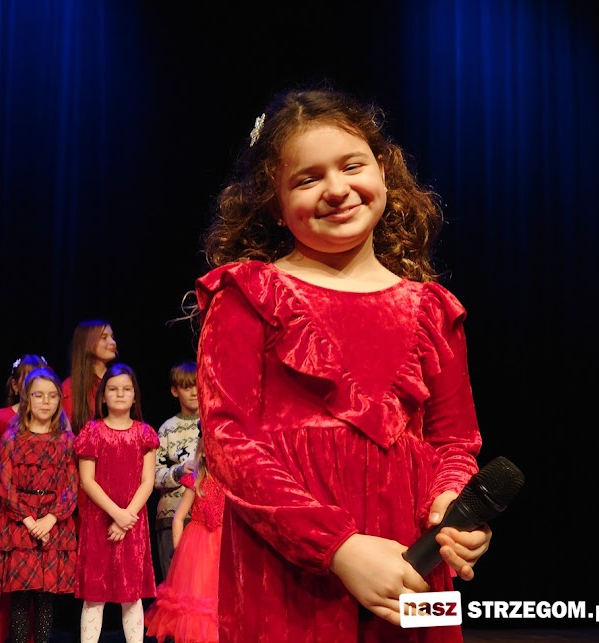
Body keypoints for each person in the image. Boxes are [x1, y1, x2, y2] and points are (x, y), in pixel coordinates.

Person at [194, 85, 492, 642]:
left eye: (350, 165)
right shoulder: (249, 294)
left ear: (382, 171)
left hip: (413, 569)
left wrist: (454, 506)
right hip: (291, 573)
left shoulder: (433, 310)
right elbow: (228, 441)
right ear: (276, 206)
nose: (336, 189)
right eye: (307, 179)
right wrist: (338, 547)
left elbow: (456, 443)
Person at [0, 367, 78, 643]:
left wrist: (49, 520)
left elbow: (71, 487)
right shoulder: (12, 439)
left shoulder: (66, 441)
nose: (46, 402)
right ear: (27, 399)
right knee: (20, 601)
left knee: (47, 601)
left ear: (59, 400)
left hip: (53, 525)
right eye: (39, 395)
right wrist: (28, 521)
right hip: (19, 526)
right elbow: (5, 485)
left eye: (52, 396)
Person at [73, 362, 158, 643]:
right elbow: (87, 480)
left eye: (126, 389)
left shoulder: (144, 433)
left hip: (132, 524)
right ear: (103, 395)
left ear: (135, 395)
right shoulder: (92, 432)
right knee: (94, 597)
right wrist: (116, 514)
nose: (120, 394)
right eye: (113, 389)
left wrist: (126, 517)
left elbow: (148, 481)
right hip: (99, 522)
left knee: (131, 596)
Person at [0, 354, 50, 643]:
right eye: (27, 378)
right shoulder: (1, 418)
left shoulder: (57, 424)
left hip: (44, 517)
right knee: (6, 584)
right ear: (15, 384)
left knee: (37, 585)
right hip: (9, 511)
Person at [144, 435, 223, 643]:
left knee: (219, 604)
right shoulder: (197, 479)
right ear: (204, 451)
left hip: (222, 547)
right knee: (195, 605)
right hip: (198, 547)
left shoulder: (230, 481)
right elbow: (178, 518)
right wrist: (181, 553)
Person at [153, 360, 200, 580]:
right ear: (174, 390)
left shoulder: (214, 424)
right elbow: (153, 475)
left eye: (197, 385)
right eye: (186, 387)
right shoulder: (167, 429)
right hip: (172, 514)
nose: (193, 392)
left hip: (207, 515)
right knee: (174, 582)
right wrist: (180, 471)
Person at [61, 320, 117, 434]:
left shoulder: (119, 381)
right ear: (87, 343)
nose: (113, 342)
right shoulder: (69, 388)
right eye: (104, 337)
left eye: (112, 337)